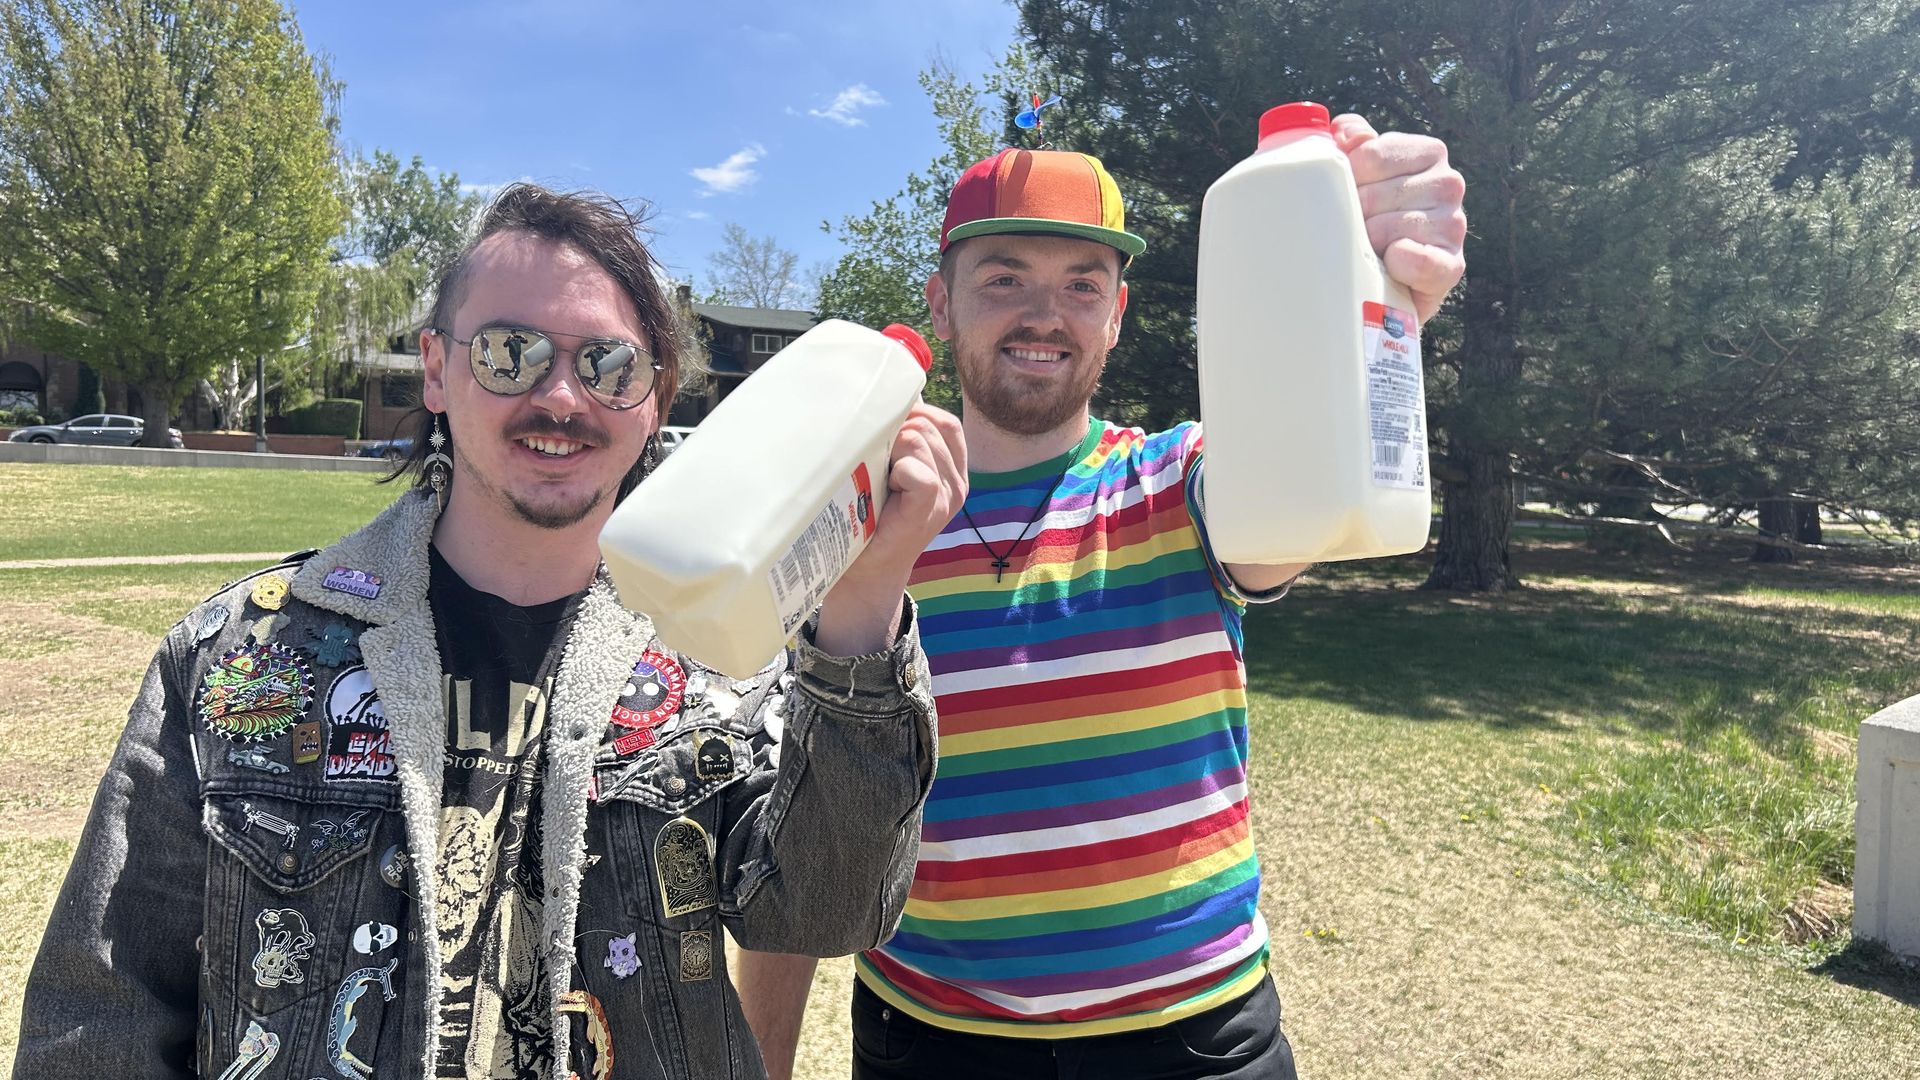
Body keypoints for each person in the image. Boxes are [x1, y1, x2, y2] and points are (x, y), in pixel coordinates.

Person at [13, 183, 967, 1080]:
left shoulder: (724, 650)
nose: (561, 397)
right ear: (435, 368)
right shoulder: (236, 656)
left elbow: (830, 907)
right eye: (509, 353)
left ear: (654, 398)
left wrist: (867, 601)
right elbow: (99, 1013)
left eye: (608, 364)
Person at [735, 116, 1467, 1078]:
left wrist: (1378, 295)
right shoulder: (857, 520)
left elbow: (1307, 459)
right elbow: (808, 827)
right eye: (1004, 278)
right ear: (940, 305)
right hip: (931, 1043)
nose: (1046, 313)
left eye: (1082, 285)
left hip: (1195, 1040)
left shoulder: (1191, 481)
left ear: (1116, 317)